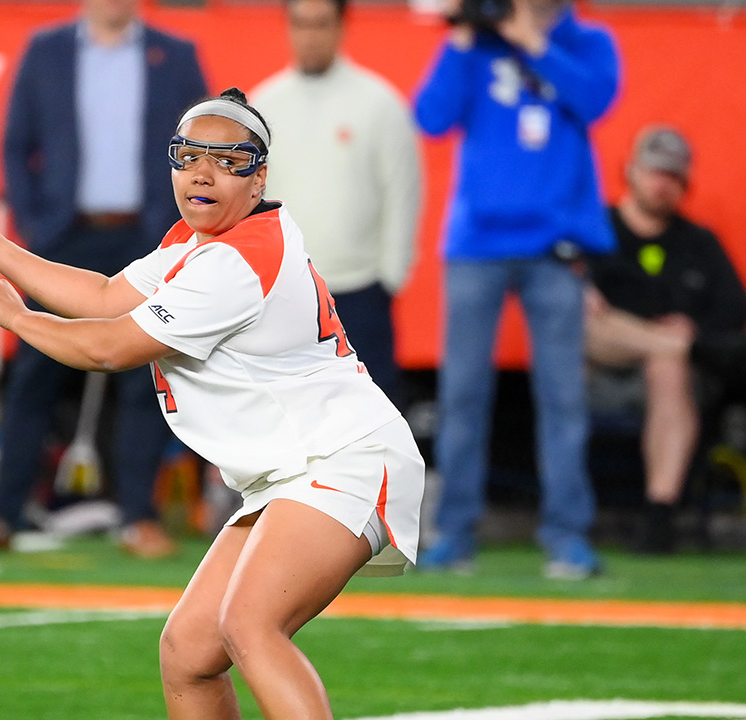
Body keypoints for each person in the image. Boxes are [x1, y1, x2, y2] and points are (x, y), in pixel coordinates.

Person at [0, 88, 424, 720]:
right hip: (295, 471)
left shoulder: (237, 263)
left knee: (250, 625)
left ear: (259, 177)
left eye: (227, 160)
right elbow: (106, 295)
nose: (202, 172)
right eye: (188, 156)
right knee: (188, 653)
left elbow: (109, 347)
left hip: (344, 458)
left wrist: (16, 315)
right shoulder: (197, 245)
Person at [0, 0, 207, 557]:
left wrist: (178, 227)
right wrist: (37, 224)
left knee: (147, 376)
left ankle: (139, 517)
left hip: (148, 238)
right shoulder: (47, 50)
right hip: (64, 236)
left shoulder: (176, 56)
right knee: (34, 374)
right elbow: (17, 143)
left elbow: (201, 150)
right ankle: (0, 513)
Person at [414, 0, 619, 578]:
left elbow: (597, 100)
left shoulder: (588, 41)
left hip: (556, 246)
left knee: (563, 397)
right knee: (462, 394)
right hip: (475, 245)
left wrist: (535, 43)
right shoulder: (475, 44)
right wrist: (460, 37)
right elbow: (430, 117)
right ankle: (455, 534)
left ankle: (567, 536)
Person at [250, 0, 422, 407]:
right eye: (301, 24)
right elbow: (248, 200)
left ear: (342, 27)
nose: (310, 36)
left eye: (321, 24)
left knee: (367, 419)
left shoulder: (379, 103)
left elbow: (403, 191)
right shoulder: (263, 105)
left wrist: (390, 278)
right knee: (286, 416)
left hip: (360, 293)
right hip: (283, 294)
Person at [585, 125, 746, 554]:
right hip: (601, 369)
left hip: (672, 382)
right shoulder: (595, 231)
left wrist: (689, 332)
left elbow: (733, 313)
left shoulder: (700, 244)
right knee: (587, 322)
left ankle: (659, 514)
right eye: (655, 172)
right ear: (631, 171)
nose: (662, 184)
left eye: (673, 176)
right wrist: (672, 337)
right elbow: (581, 316)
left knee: (668, 366)